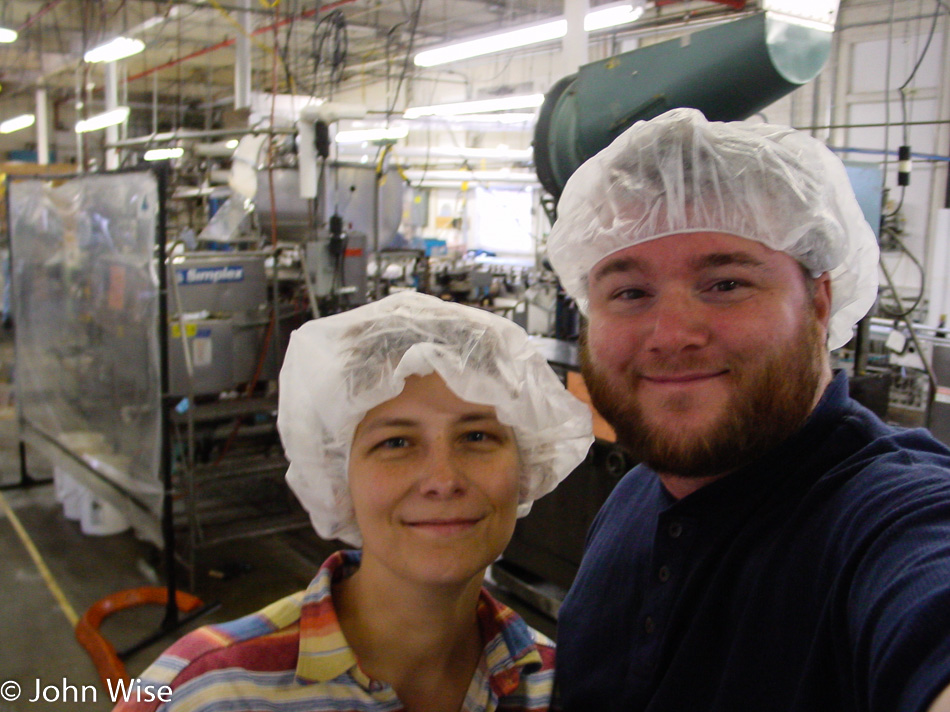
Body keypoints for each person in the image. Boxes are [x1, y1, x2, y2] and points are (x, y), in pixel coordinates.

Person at [545, 107, 950, 712]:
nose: (671, 334)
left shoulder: (888, 520)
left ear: (818, 302)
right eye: (630, 292)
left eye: (726, 283)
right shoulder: (634, 498)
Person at [113, 291, 593, 712]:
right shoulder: (206, 690)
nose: (443, 480)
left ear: (527, 463)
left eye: (477, 436)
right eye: (396, 443)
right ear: (339, 475)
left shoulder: (554, 684)